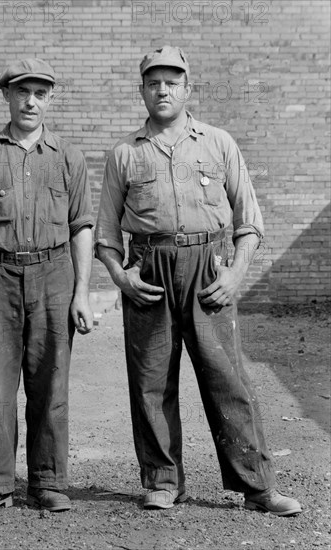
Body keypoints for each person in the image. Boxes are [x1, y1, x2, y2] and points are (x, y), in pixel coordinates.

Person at [95, 46, 302, 516]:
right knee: (151, 382)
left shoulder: (218, 143)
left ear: (188, 89)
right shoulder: (124, 153)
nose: (162, 90)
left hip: (209, 268)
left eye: (172, 82)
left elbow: (249, 222)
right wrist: (120, 275)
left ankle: (258, 487)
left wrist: (236, 273)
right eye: (153, 82)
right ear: (142, 90)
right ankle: (164, 481)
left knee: (228, 380)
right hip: (149, 271)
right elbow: (106, 233)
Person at [0, 58, 94, 513]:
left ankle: (49, 482)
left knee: (51, 384)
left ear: (50, 98)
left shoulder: (69, 157)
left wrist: (82, 293)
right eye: (22, 92)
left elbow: (82, 228)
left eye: (40, 93)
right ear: (7, 96)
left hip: (54, 275)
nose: (30, 101)